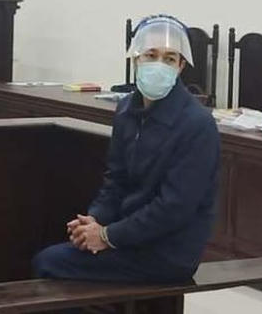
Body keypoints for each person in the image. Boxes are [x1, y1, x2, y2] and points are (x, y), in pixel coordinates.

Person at [32, 14, 220, 284]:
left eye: (169, 59)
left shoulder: (197, 124)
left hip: (168, 251)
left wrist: (107, 236)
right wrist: (93, 221)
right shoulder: (126, 110)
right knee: (51, 242)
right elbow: (116, 181)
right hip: (129, 235)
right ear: (136, 59)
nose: (159, 64)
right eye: (151, 55)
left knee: (48, 263)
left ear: (180, 66)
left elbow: (174, 208)